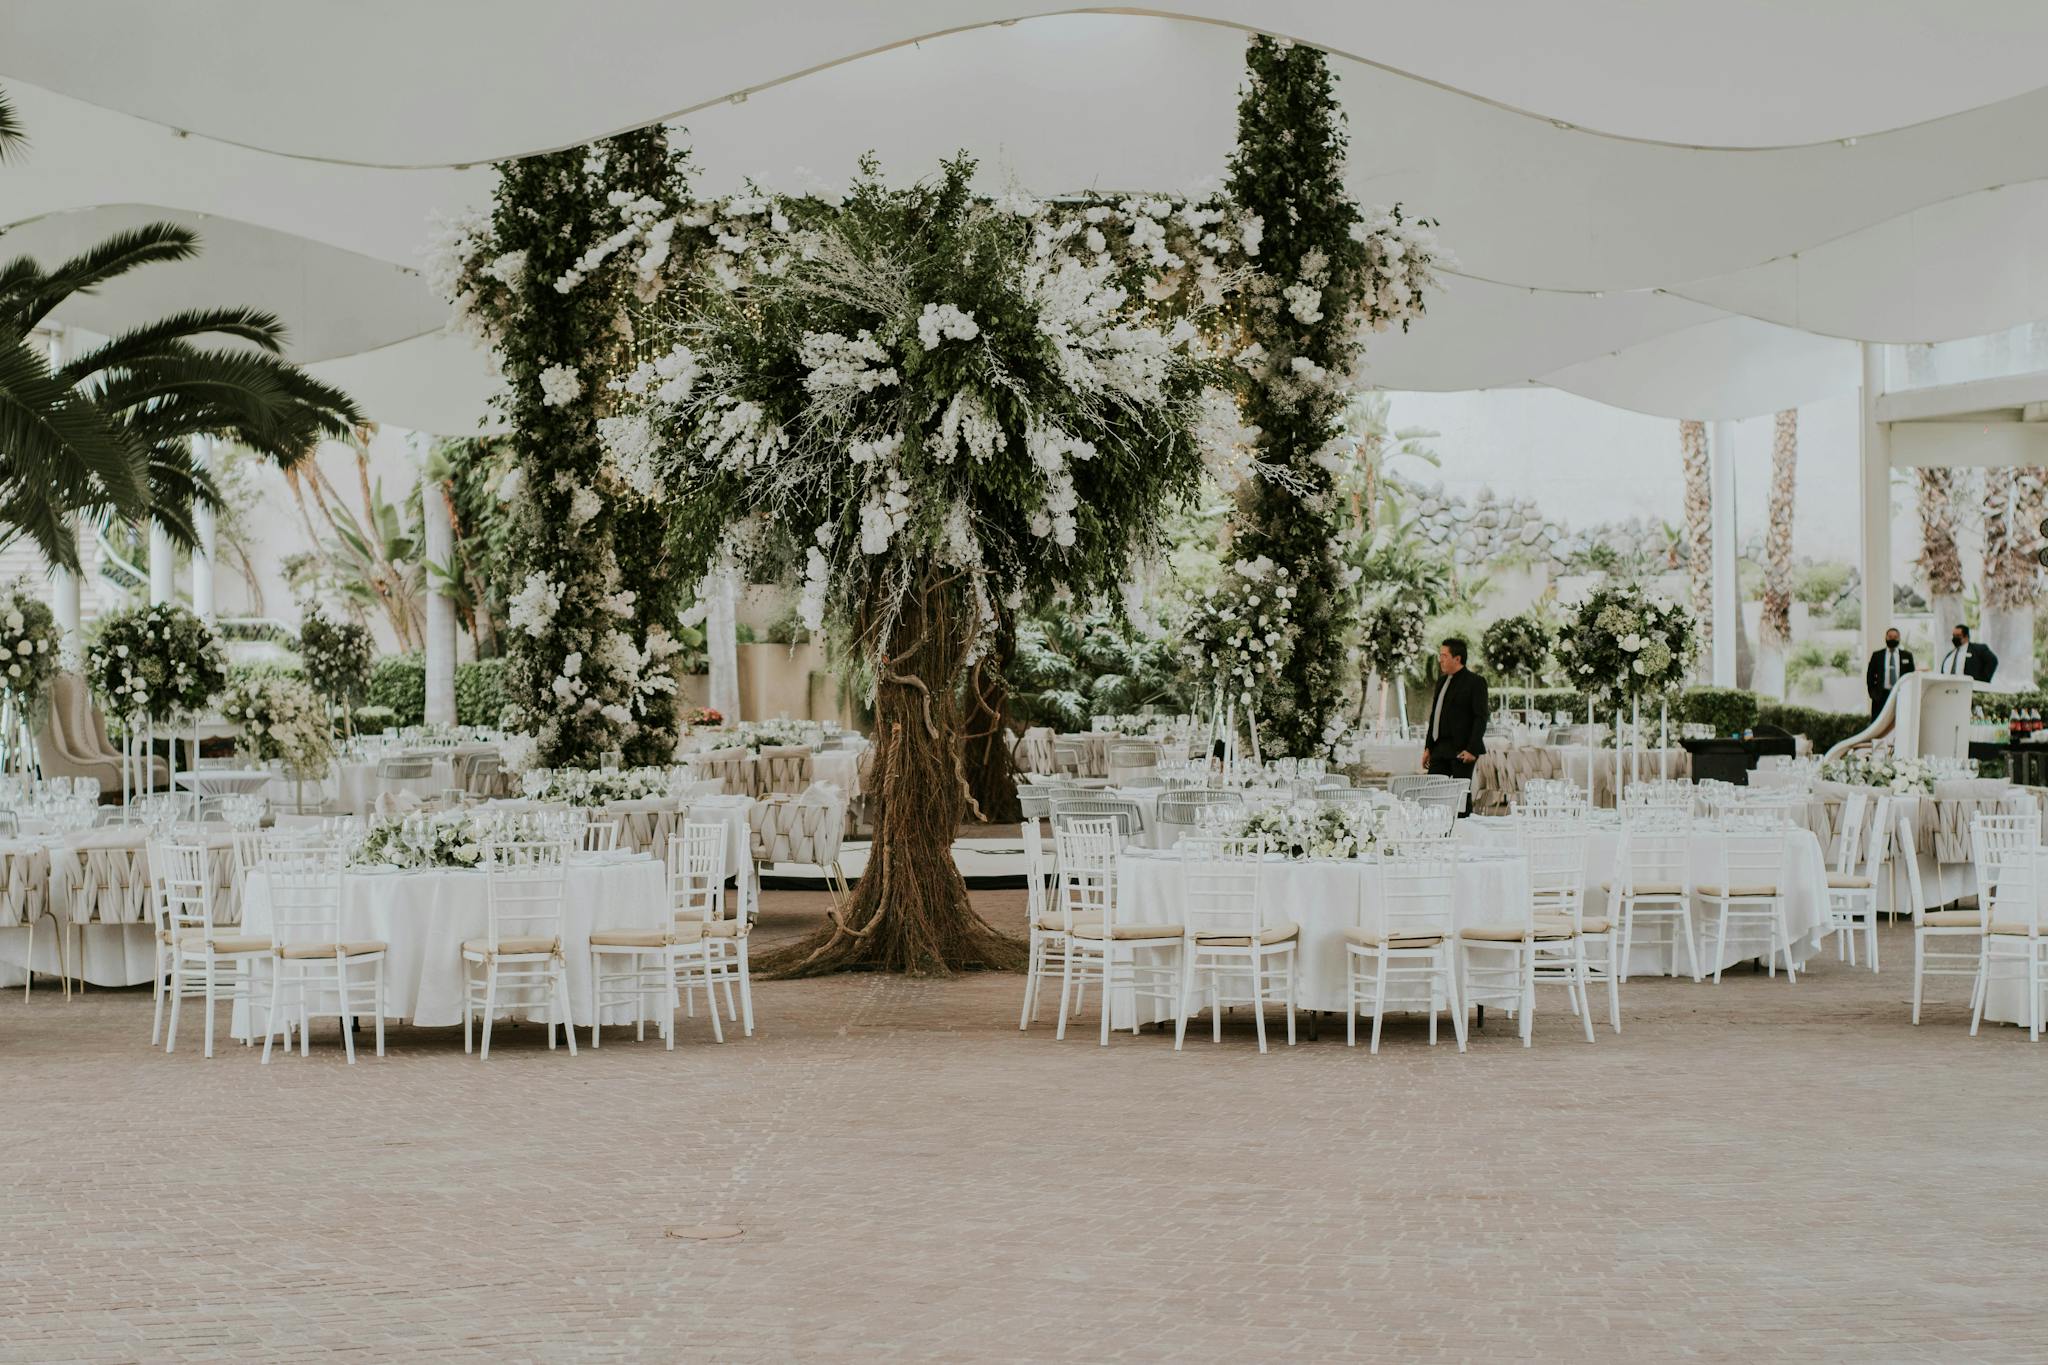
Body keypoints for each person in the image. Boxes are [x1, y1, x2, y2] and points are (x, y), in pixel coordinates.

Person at [1421, 637, 1487, 815]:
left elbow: (1480, 717)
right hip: (1439, 748)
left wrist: (1472, 749)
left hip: (1462, 750)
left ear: (1457, 658)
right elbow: (1435, 716)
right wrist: (1428, 747)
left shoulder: (1475, 682)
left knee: (1460, 799)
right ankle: (1437, 833)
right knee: (1432, 795)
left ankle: (1465, 834)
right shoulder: (1441, 682)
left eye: (1444, 656)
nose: (1440, 660)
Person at [1865, 627, 1915, 719]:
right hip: (1881, 696)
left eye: (1895, 637)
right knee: (1878, 723)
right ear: (1886, 638)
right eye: (1890, 636)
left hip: (1900, 695)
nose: (1892, 639)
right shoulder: (1877, 655)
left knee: (1900, 721)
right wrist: (1873, 694)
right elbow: (1869, 676)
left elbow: (1911, 677)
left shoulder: (1907, 655)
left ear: (1899, 639)